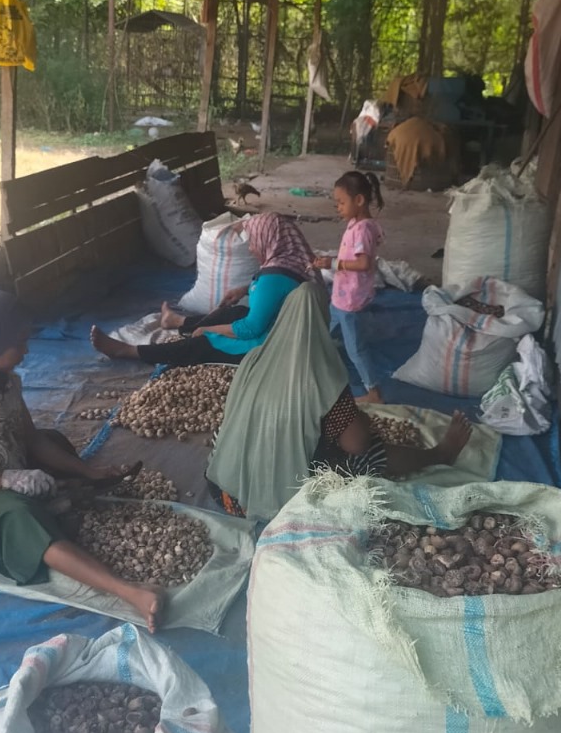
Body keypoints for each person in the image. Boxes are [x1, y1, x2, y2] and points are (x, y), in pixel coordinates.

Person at [0, 288, 163, 632]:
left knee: (55, 442)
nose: (26, 351)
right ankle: (128, 592)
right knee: (15, 512)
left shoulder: (4, 379)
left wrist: (88, 471)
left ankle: (60, 495)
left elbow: (30, 438)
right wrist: (6, 480)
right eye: (19, 343)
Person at [206, 283, 472, 523]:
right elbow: (357, 444)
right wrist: (361, 421)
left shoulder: (253, 359)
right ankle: (439, 455)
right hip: (278, 506)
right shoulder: (323, 378)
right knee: (368, 454)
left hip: (225, 491)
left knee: (228, 432)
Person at [91, 212, 319, 366]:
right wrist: (245, 290)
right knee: (235, 312)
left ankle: (128, 351)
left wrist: (210, 330)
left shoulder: (274, 278)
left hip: (270, 348)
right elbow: (277, 294)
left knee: (202, 344)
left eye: (253, 241)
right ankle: (178, 322)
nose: (251, 248)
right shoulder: (294, 265)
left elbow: (249, 329)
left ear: (268, 239)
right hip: (288, 333)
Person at [314, 170, 386, 405]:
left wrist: (334, 264)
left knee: (356, 348)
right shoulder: (356, 224)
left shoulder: (363, 229)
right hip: (340, 297)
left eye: (341, 202)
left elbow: (364, 264)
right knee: (325, 334)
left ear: (359, 200)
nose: (338, 208)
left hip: (351, 301)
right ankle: (318, 371)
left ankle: (374, 392)